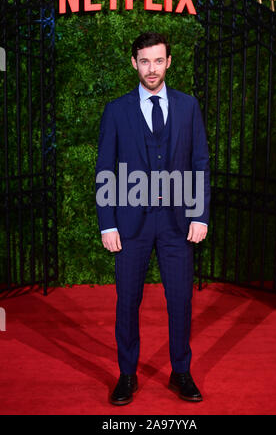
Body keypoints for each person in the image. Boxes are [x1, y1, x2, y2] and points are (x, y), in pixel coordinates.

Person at [95, 32, 210, 405]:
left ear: (169, 62)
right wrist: (107, 223)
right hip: (130, 225)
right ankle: (127, 375)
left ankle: (181, 372)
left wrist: (200, 214)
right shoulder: (116, 109)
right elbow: (105, 168)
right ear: (134, 63)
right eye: (144, 61)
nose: (151, 68)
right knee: (127, 301)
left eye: (158, 61)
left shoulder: (188, 106)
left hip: (177, 223)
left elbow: (199, 165)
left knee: (180, 301)